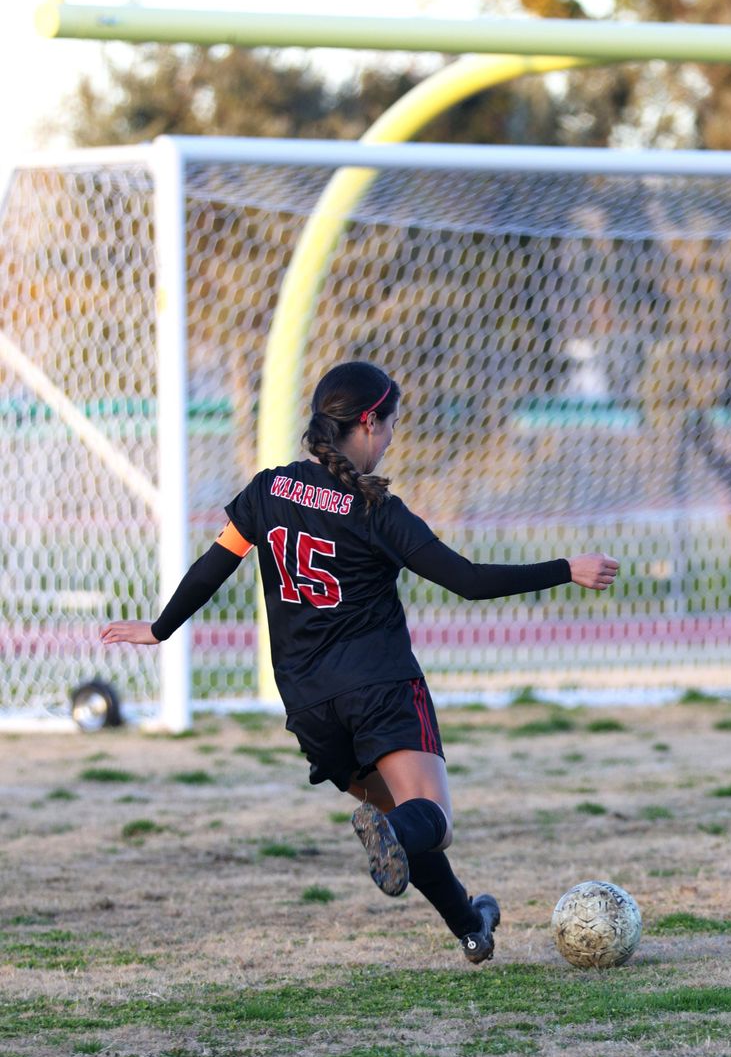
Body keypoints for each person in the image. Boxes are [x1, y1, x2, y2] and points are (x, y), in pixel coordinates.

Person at [101, 361, 619, 963]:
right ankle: (396, 837)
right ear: (368, 423)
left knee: (402, 818)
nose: (394, 437)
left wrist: (161, 628)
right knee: (431, 820)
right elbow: (469, 581)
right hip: (380, 687)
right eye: (393, 424)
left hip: (310, 704)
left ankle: (471, 927)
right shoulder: (376, 509)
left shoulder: (268, 490)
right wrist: (565, 568)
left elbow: (217, 563)